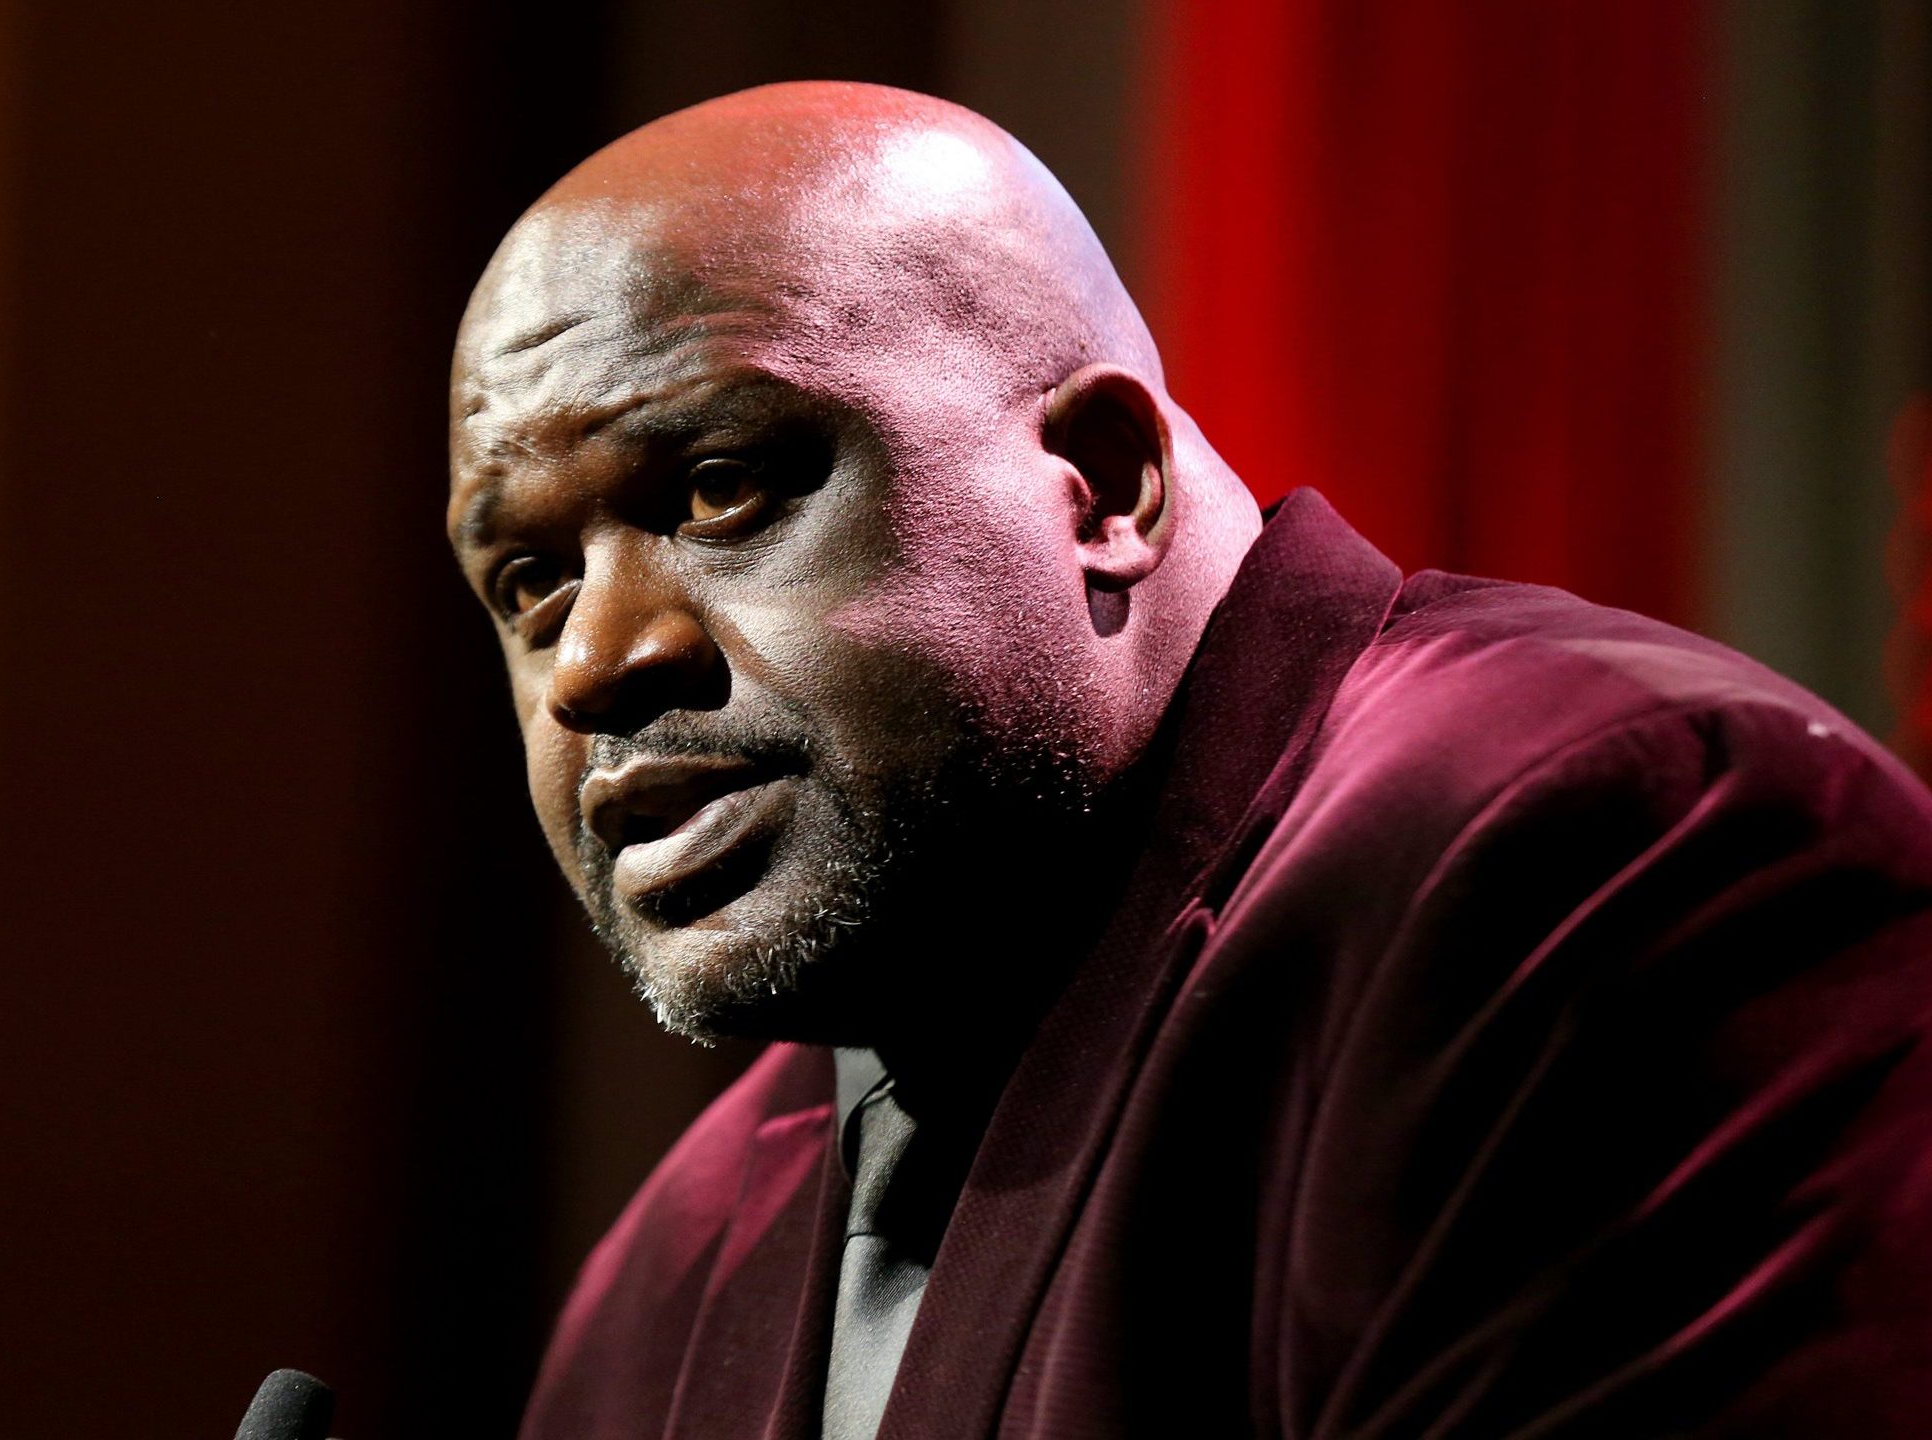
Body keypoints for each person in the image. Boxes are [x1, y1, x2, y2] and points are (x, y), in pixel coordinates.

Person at [444, 82, 1932, 1439]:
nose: (594, 665)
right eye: (532, 584)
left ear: (1101, 480)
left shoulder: (1596, 860)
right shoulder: (678, 1269)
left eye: (720, 488)